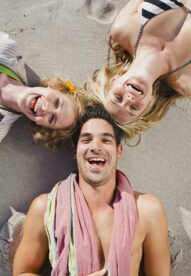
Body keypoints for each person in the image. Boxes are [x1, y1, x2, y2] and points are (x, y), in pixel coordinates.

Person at [13, 106, 170, 276]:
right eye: (86, 140)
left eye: (106, 140)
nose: (95, 146)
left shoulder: (148, 210)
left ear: (119, 151)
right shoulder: (45, 208)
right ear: (75, 150)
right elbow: (22, 272)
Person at [85, 0, 191, 137]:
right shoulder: (187, 80)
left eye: (117, 98)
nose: (129, 98)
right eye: (133, 108)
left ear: (114, 80)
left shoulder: (123, 30)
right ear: (149, 103)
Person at [0, 31, 78, 144]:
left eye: (51, 119)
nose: (47, 109)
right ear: (54, 87)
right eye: (57, 102)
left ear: (41, 126)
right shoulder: (7, 48)